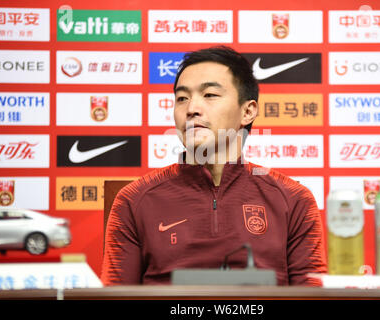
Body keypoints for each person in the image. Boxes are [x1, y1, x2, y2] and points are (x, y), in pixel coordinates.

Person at [101, 46, 327, 286]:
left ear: (247, 111)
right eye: (182, 98)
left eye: (209, 95)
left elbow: (312, 293)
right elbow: (115, 294)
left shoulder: (294, 200)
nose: (191, 109)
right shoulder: (134, 200)